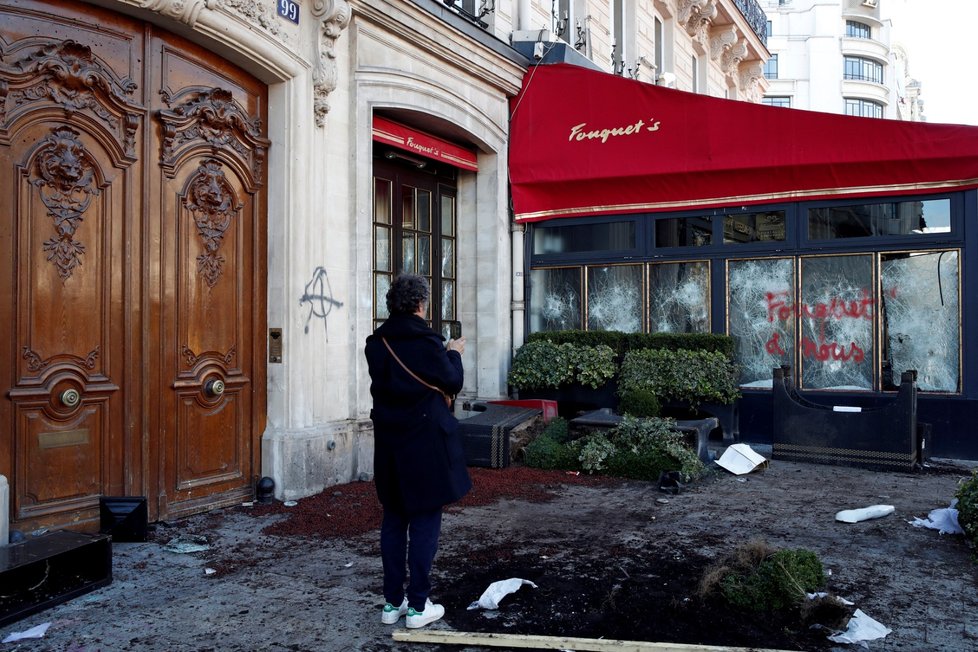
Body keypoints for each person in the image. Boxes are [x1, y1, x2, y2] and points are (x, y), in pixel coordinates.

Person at [364, 273, 471, 629]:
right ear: (421, 304)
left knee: (394, 519)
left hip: (390, 446)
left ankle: (392, 602)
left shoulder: (375, 343)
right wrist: (453, 354)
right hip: (424, 444)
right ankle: (418, 606)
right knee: (425, 519)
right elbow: (452, 382)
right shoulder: (428, 343)